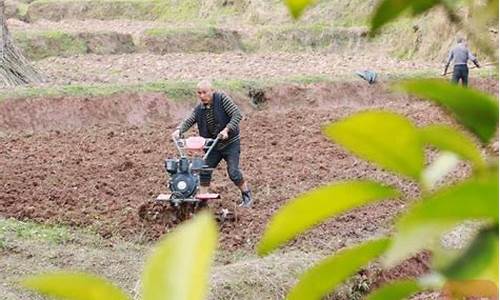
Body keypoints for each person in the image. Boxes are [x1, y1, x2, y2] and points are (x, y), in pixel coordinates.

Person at [171, 80, 253, 208]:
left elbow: (237, 115)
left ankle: (246, 195)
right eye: (199, 93)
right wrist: (179, 130)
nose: (202, 96)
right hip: (213, 145)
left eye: (205, 92)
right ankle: (203, 202)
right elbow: (190, 120)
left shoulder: (222, 99)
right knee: (204, 170)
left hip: (230, 143)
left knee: (233, 172)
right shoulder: (199, 109)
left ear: (212, 91)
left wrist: (227, 130)